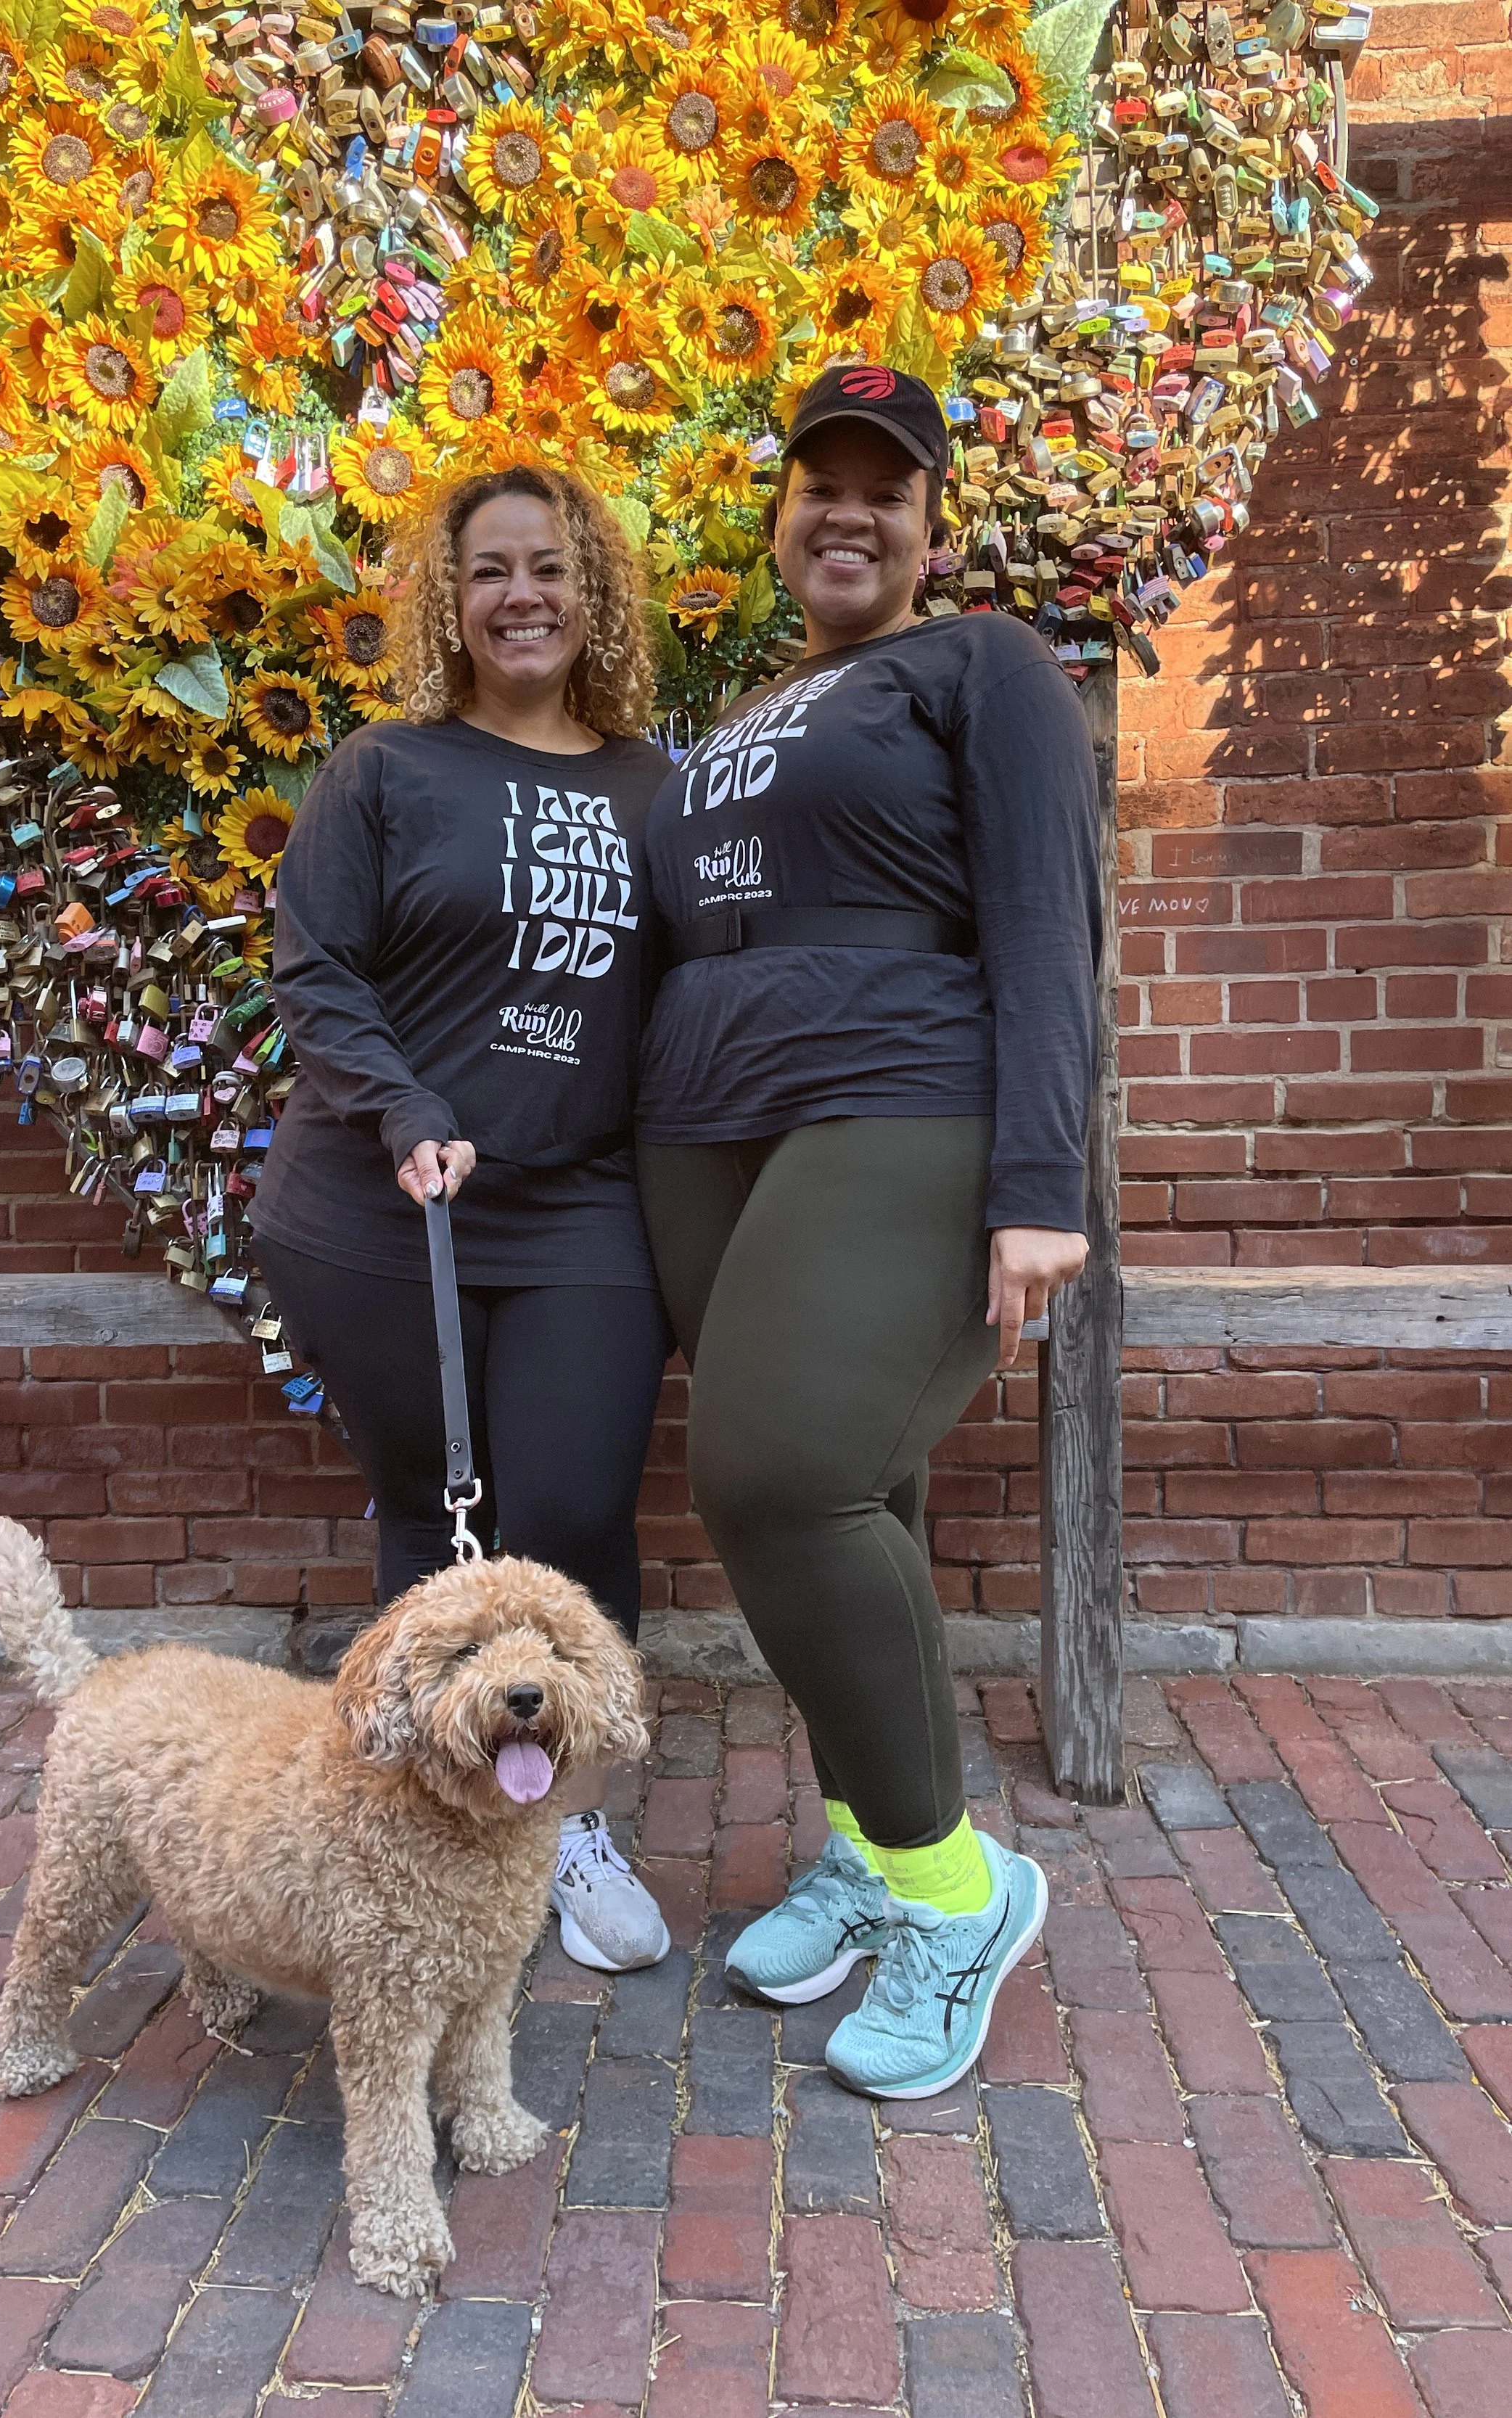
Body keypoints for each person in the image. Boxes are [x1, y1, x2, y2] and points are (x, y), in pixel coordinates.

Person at [635, 366, 1102, 2096]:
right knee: (860, 1502)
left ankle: (956, 1891)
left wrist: (1041, 1181)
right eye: (814, 482)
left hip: (899, 1096)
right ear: (777, 517)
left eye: (881, 487)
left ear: (928, 529)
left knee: (775, 1476)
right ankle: (861, 1844)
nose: (845, 509)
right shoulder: (743, 707)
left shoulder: (979, 665)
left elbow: (1051, 918)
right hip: (712, 1127)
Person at [253, 463, 675, 1973]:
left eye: (550, 567)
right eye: (490, 569)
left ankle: (560, 1821)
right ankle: (422, 1830)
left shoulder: (652, 786)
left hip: (577, 1210)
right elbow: (317, 969)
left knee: (562, 1514)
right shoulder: (385, 772)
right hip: (384, 1205)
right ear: (452, 598)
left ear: (594, 591)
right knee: (433, 1518)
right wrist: (405, 1106)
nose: (521, 595)